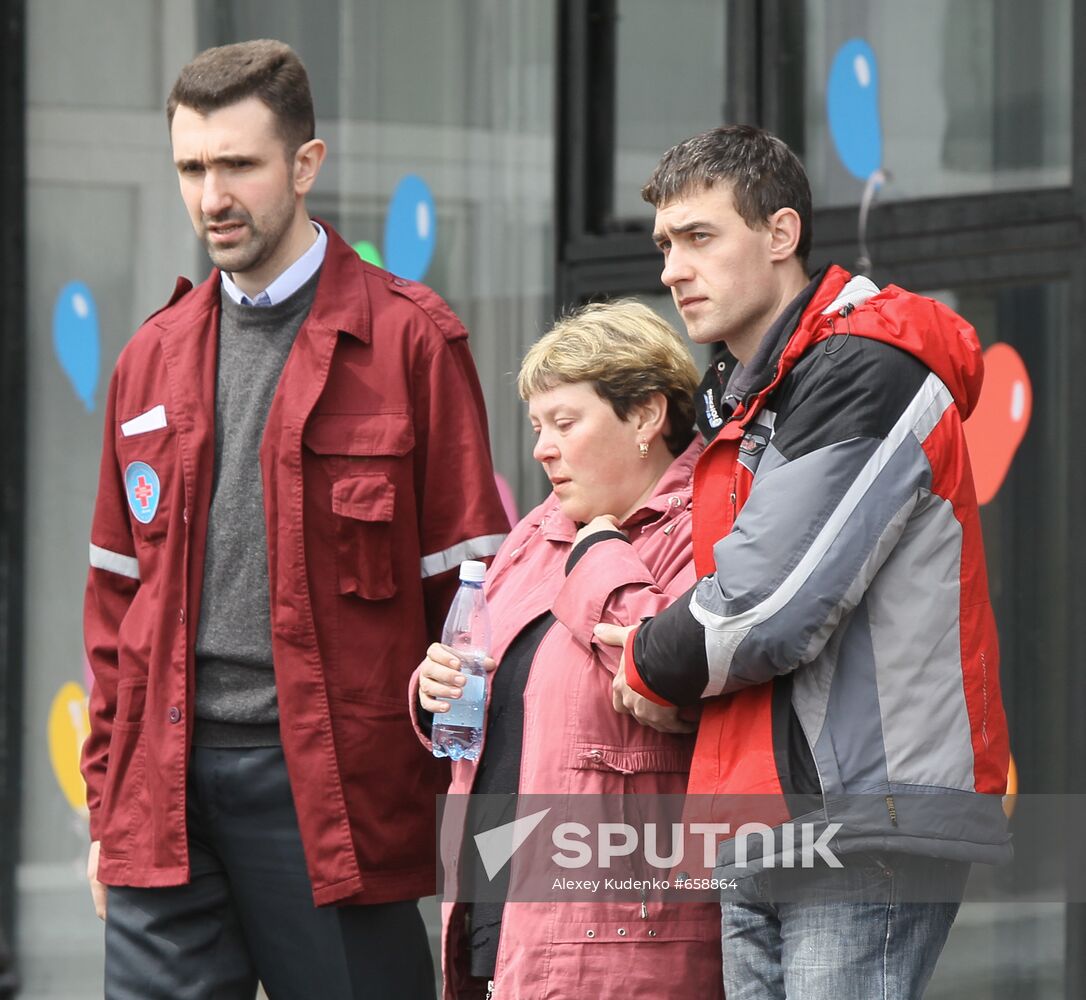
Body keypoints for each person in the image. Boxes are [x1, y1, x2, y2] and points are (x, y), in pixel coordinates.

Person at [80, 39, 509, 1000]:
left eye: (239, 165)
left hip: (331, 792)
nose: (211, 196)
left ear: (305, 165)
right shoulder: (147, 360)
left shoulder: (410, 340)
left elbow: (476, 600)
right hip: (167, 790)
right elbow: (115, 607)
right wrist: (110, 810)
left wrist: (467, 818)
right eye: (192, 168)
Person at [595, 125, 1012, 999]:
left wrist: (644, 656)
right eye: (665, 244)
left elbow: (759, 609)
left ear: (781, 235)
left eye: (700, 237)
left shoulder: (864, 365)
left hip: (863, 821)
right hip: (768, 814)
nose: (672, 268)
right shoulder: (752, 390)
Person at [411, 301, 723, 999]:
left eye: (565, 423)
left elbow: (669, 674)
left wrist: (602, 556)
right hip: (502, 922)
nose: (541, 449)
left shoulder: (709, 525)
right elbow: (503, 681)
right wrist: (434, 692)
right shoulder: (535, 533)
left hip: (622, 943)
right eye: (536, 427)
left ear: (645, 416)